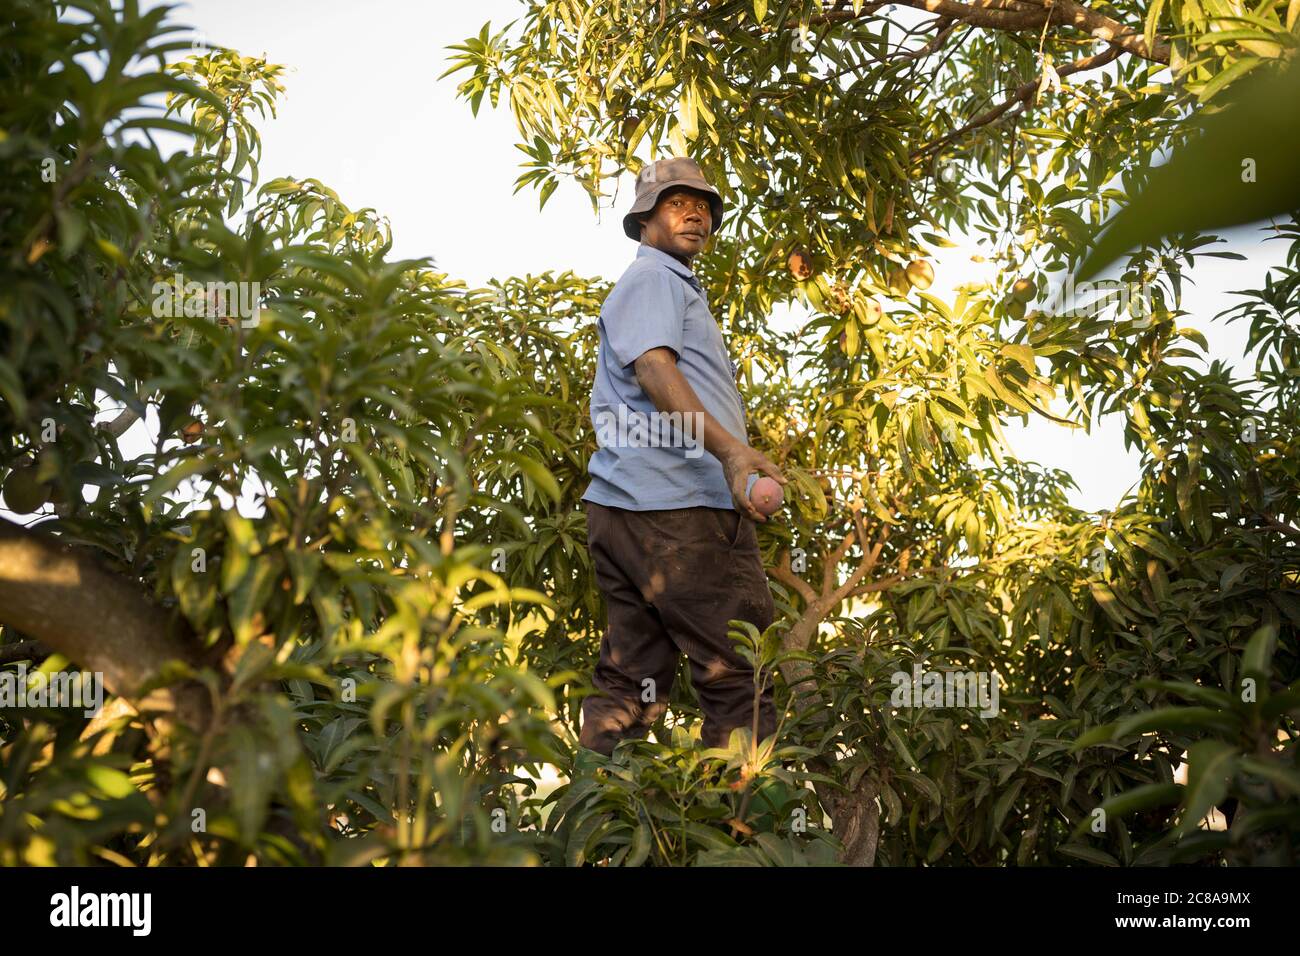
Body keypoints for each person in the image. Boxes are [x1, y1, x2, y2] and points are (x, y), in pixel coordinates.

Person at [577, 155, 786, 760]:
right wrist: (731, 454)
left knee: (629, 681)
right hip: (680, 512)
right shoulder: (654, 279)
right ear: (646, 219)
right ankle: (747, 836)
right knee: (737, 677)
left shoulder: (664, 284)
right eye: (677, 203)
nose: (694, 213)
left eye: (704, 207)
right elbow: (652, 368)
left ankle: (605, 826)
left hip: (626, 512)